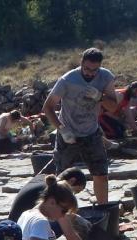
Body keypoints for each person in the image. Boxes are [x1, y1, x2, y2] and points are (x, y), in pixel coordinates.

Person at [43, 47, 116, 205]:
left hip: (91, 132)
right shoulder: (68, 80)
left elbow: (113, 107)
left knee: (101, 174)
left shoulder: (106, 77)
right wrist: (61, 129)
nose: (90, 73)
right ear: (81, 63)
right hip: (69, 134)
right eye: (87, 69)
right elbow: (47, 107)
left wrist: (99, 97)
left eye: (94, 70)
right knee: (61, 180)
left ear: (100, 67)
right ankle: (60, 214)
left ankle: (104, 209)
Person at [7, 168, 101, 240]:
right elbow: (70, 234)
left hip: (17, 230)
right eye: (75, 192)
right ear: (72, 181)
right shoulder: (54, 196)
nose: (73, 195)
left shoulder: (47, 183)